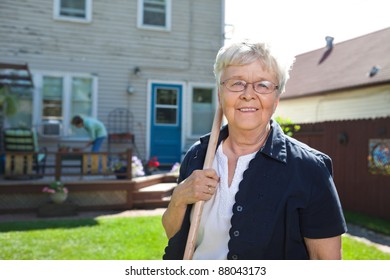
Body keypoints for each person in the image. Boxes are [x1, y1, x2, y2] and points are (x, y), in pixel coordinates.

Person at [162, 40, 347, 260]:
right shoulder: (197, 155)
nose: (248, 94)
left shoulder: (309, 169)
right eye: (236, 83)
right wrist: (180, 197)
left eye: (263, 85)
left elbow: (326, 261)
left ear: (276, 99)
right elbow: (172, 233)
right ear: (220, 94)